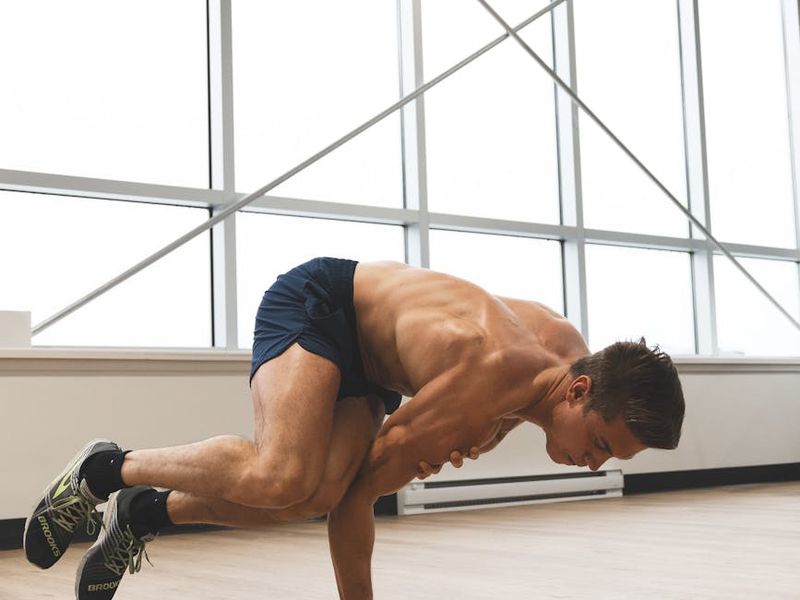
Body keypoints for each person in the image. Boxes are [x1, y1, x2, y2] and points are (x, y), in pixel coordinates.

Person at [24, 257, 685, 599]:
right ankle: (102, 470)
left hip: (377, 368)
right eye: (599, 444)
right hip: (323, 303)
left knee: (308, 494)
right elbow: (357, 502)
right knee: (286, 476)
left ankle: (143, 514)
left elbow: (494, 375)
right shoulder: (487, 378)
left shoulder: (565, 349)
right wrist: (458, 424)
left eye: (610, 457)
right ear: (579, 391)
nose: (596, 463)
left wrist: (485, 423)